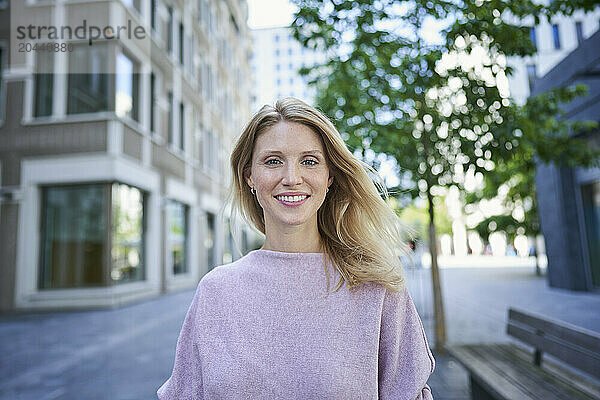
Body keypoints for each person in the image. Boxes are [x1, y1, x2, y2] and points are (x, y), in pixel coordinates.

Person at [157, 97, 435, 399]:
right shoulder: (215, 291)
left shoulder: (377, 287)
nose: (291, 178)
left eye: (309, 161)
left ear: (329, 177)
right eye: (273, 161)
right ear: (249, 175)